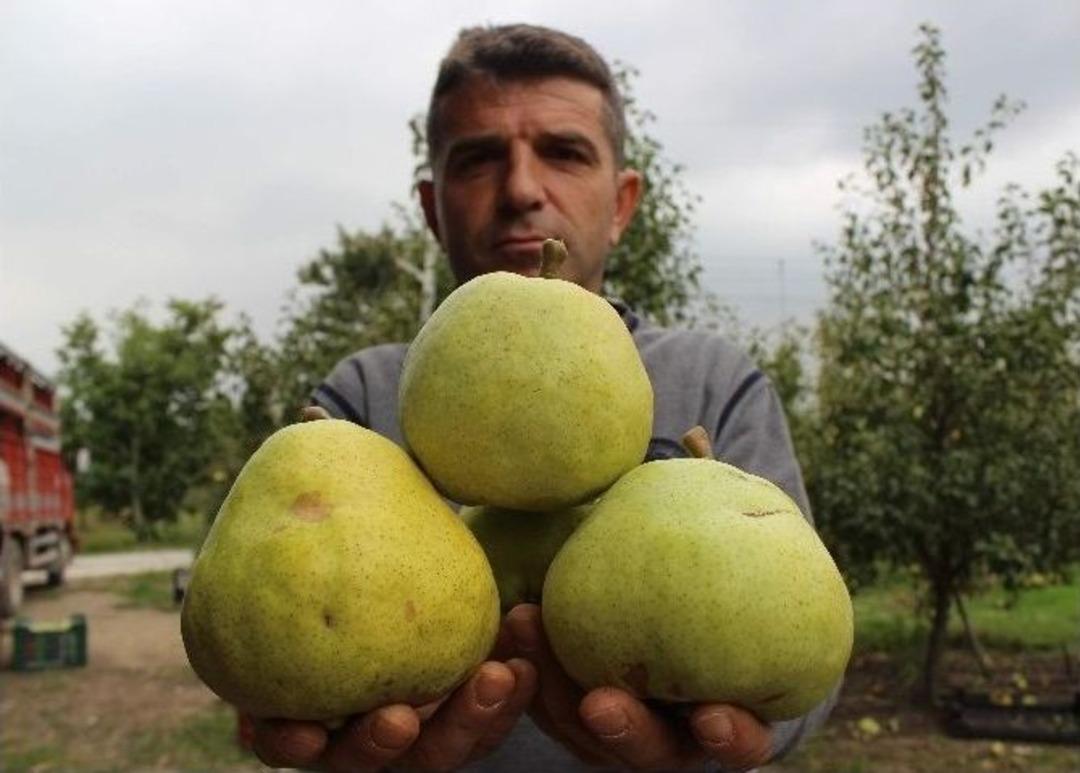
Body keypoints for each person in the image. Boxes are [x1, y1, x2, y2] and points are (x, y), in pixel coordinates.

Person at [251, 23, 839, 772]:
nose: (523, 190)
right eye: (479, 159)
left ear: (623, 202)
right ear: (431, 209)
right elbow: (269, 618)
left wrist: (728, 741)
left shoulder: (714, 381)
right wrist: (289, 702)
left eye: (564, 153)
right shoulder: (366, 399)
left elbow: (803, 651)